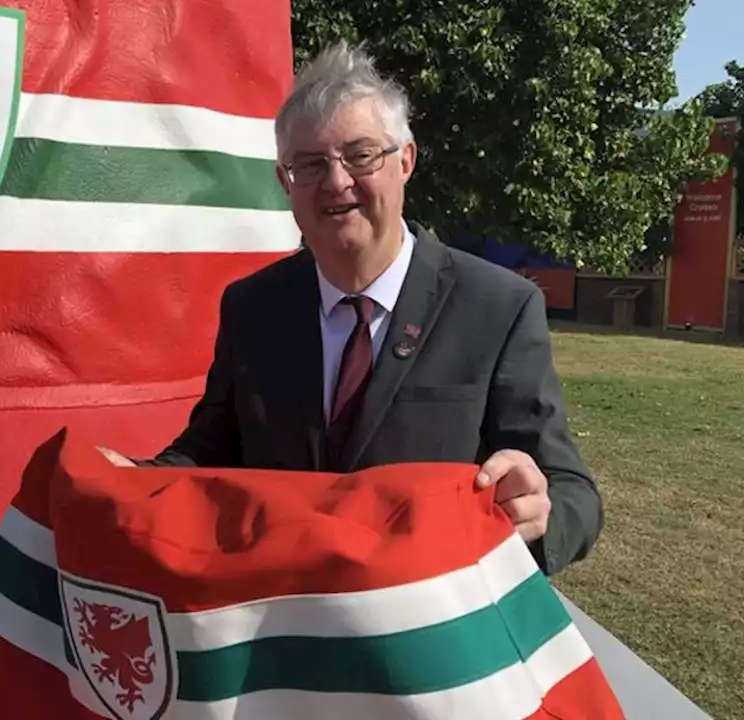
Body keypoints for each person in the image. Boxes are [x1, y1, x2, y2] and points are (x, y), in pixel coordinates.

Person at [103, 42, 602, 577]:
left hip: (423, 631)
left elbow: (572, 491)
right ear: (284, 183)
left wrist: (540, 513)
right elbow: (212, 449)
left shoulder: (498, 307)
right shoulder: (253, 307)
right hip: (284, 620)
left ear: (405, 160)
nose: (336, 182)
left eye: (360, 155)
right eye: (310, 165)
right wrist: (131, 481)